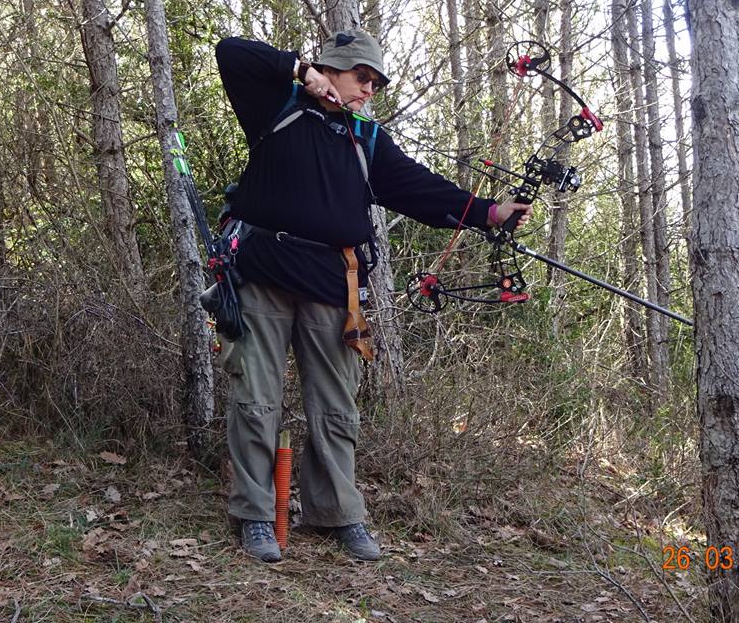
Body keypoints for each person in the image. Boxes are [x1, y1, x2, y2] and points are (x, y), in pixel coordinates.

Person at [214, 29, 531, 562]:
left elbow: (418, 188)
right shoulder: (276, 105)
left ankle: (337, 513)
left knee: (336, 406)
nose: (368, 90)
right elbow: (232, 52)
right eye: (361, 77)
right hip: (263, 273)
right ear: (331, 70)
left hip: (330, 284)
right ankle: (255, 515)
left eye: (376, 84)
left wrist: (488, 213)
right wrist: (301, 72)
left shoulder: (365, 139)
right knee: (256, 399)